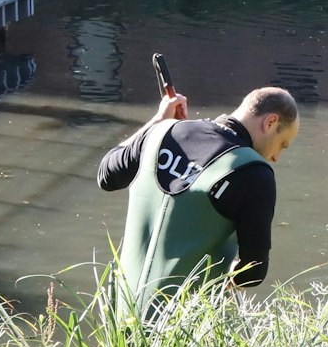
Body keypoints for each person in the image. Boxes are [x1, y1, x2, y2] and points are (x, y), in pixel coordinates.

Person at [97, 85, 299, 318]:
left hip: (118, 314)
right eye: (282, 144)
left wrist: (158, 120)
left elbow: (106, 175)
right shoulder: (254, 173)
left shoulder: (160, 133)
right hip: (179, 331)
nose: (277, 157)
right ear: (271, 122)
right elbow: (252, 272)